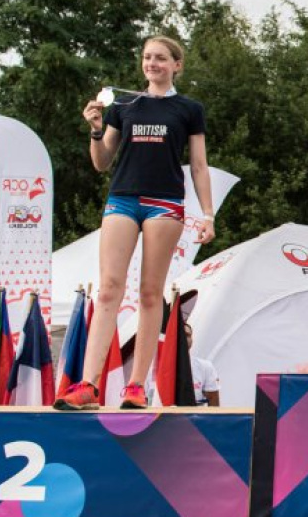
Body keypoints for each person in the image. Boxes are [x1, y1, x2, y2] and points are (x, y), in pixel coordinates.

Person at [54, 36, 214, 410]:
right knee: (108, 288)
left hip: (164, 203)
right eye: (146, 58)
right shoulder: (124, 105)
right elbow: (101, 161)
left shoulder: (189, 109)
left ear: (177, 65)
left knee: (148, 293)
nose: (152, 64)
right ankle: (88, 386)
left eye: (160, 58)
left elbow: (199, 165)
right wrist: (95, 128)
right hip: (122, 199)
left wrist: (207, 215)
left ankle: (137, 386)